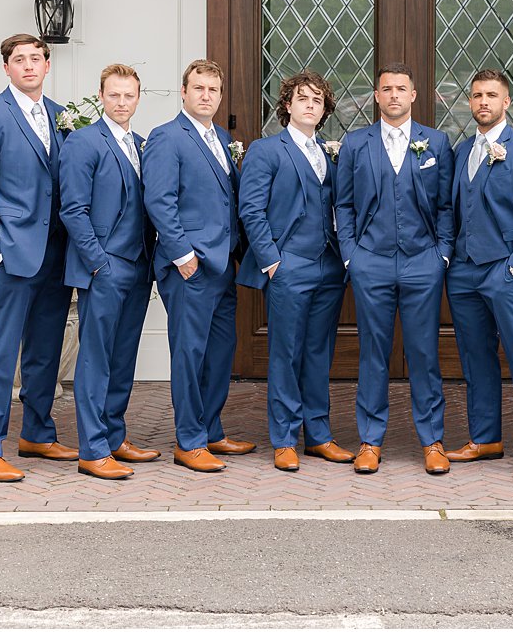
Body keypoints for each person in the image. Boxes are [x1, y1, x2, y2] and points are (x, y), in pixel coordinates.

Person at [0, 33, 76, 482]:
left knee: (46, 350)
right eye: (19, 59)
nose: (28, 65)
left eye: (36, 59)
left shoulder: (63, 116)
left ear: (47, 66)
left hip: (57, 253)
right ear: (6, 68)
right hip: (12, 253)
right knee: (0, 352)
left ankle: (38, 434)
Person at [334, 62, 455, 476]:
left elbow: (446, 205)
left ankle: (433, 440)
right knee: (373, 354)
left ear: (414, 95)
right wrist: (352, 254)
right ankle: (370, 440)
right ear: (376, 96)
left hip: (423, 263)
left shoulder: (436, 142)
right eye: (386, 89)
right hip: (372, 261)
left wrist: (442, 254)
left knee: (424, 354)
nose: (394, 96)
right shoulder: (355, 144)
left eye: (401, 88)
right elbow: (344, 204)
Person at [236, 70, 355, 473]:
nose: (309, 104)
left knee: (319, 353)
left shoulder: (331, 153)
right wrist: (272, 261)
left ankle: (318, 436)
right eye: (302, 97)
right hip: (287, 266)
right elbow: (251, 209)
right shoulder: (266, 150)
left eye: (317, 100)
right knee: (285, 353)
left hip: (328, 265)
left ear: (324, 110)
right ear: (287, 104)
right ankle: (285, 438)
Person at [142, 59, 255, 473]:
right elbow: (159, 200)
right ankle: (188, 440)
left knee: (220, 352)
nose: (206, 95)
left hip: (223, 264)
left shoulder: (223, 139)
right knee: (189, 354)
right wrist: (183, 256)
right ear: (184, 92)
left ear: (220, 96)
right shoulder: (166, 138)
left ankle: (211, 430)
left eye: (213, 90)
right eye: (199, 88)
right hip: (190, 267)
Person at [444, 70, 513, 483]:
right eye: (476, 96)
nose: (483, 102)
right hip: (464, 271)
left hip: (504, 270)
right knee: (475, 357)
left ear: (507, 102)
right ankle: (485, 437)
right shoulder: (461, 151)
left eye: (492, 95)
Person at [58, 64, 158, 480]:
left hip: (138, 267)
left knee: (123, 357)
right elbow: (73, 209)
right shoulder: (84, 142)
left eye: (129, 95)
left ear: (138, 98)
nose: (121, 103)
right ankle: (92, 448)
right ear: (101, 95)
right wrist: (98, 262)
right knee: (96, 360)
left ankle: (115, 436)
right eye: (114, 95)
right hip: (105, 267)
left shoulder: (141, 143)